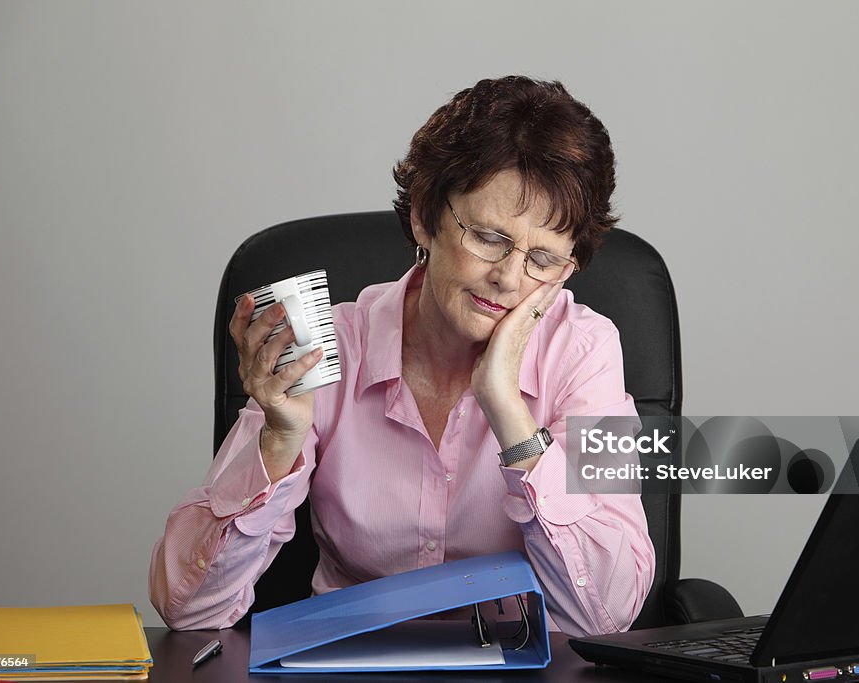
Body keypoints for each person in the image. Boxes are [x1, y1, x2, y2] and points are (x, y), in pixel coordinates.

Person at [149, 75, 654, 637]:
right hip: (352, 669)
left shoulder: (583, 352)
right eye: (488, 237)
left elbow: (604, 615)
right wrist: (278, 441)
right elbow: (187, 610)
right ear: (424, 217)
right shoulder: (330, 346)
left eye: (542, 258)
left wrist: (509, 412)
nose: (509, 278)